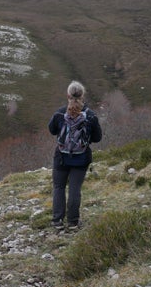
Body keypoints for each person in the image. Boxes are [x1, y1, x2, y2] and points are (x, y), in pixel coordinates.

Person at [48, 80, 102, 230]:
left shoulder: (59, 113)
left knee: (59, 187)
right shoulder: (90, 116)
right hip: (81, 158)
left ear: (68, 95)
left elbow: (52, 130)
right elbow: (97, 138)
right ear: (83, 95)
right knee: (74, 189)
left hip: (61, 158)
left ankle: (57, 221)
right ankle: (73, 222)